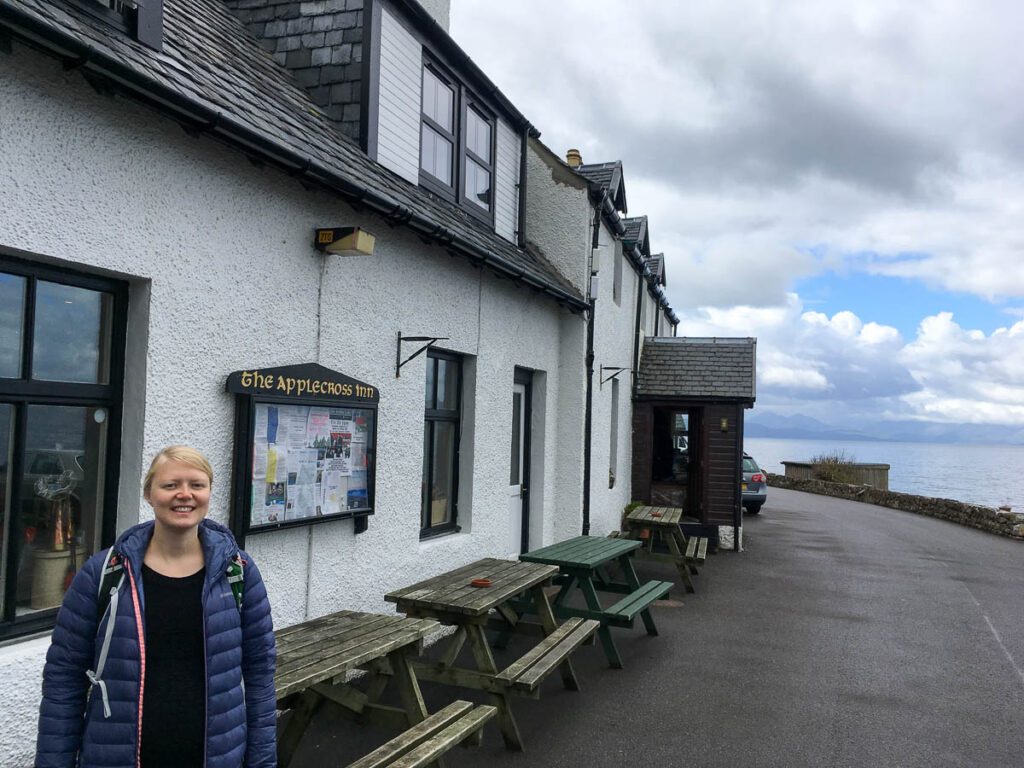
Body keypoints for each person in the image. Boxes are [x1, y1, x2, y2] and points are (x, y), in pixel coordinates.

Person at [35, 445, 277, 768]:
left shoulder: (238, 573)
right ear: (149, 494)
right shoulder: (104, 573)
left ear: (208, 492)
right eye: (170, 485)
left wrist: (262, 762)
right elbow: (64, 681)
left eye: (196, 485)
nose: (184, 495)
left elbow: (260, 675)